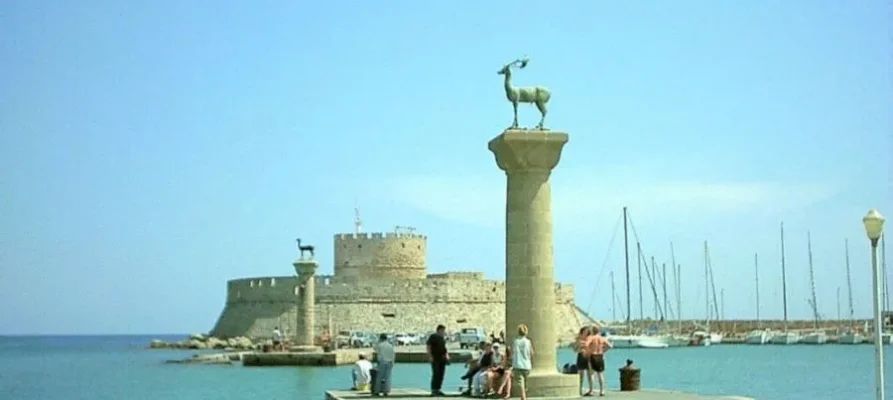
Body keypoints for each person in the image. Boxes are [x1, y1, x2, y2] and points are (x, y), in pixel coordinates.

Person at [586, 325, 612, 397]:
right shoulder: (602, 338)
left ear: (593, 331)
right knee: (600, 374)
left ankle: (591, 390)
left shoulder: (591, 338)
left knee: (591, 374)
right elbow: (610, 346)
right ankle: (602, 391)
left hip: (593, 355)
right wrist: (604, 351)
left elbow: (586, 344)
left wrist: (588, 351)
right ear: (598, 331)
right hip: (600, 355)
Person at [426, 324, 449, 396]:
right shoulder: (433, 337)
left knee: (441, 375)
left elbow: (444, 348)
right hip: (435, 358)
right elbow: (428, 346)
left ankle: (438, 389)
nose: (443, 332)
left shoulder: (442, 338)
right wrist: (430, 356)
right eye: (442, 330)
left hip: (442, 359)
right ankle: (433, 390)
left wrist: (447, 356)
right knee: (436, 374)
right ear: (439, 330)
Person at [511, 324, 533, 400]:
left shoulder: (516, 341)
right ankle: (524, 397)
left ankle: (523, 398)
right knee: (525, 384)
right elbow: (531, 353)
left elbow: (513, 352)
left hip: (518, 364)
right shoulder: (528, 341)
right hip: (527, 365)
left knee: (521, 384)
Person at [575, 326, 594, 396]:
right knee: (583, 374)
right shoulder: (588, 339)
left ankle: (588, 390)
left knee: (588, 374)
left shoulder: (583, 339)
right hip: (584, 355)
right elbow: (575, 349)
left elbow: (575, 349)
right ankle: (582, 389)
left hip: (585, 356)